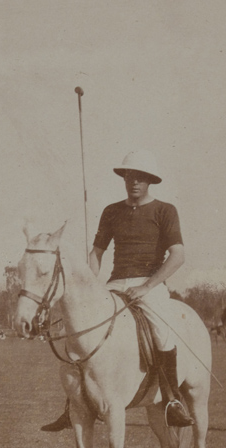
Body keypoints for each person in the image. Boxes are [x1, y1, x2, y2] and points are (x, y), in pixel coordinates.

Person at [42, 149, 194, 431]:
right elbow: (97, 253)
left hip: (150, 284)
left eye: (140, 177)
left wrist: (147, 286)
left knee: (162, 332)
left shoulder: (165, 211)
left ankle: (172, 399)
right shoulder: (112, 211)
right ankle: (71, 405)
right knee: (80, 333)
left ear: (150, 180)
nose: (133, 181)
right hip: (115, 283)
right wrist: (87, 287)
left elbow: (178, 256)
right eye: (129, 176)